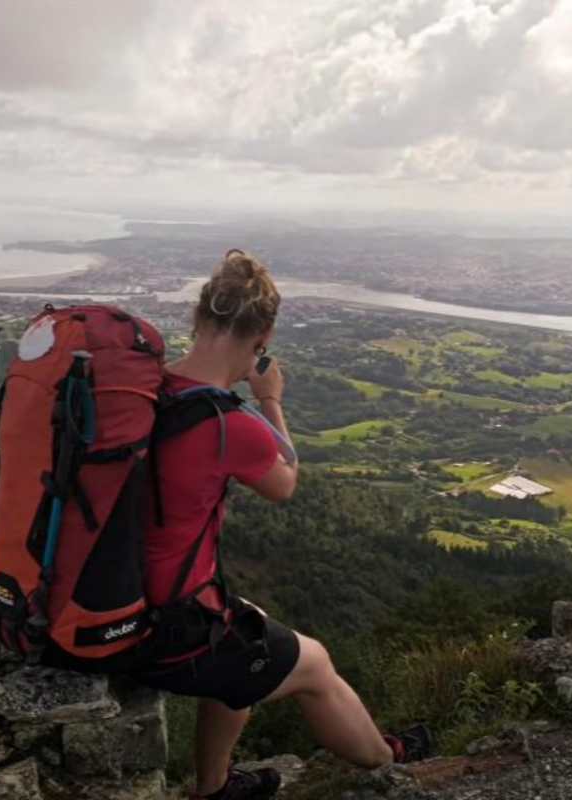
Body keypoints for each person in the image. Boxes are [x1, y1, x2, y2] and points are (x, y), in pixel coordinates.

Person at [134, 250, 431, 800]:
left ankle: (215, 785)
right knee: (314, 664)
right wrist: (270, 401)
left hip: (94, 595)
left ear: (196, 321)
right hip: (157, 621)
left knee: (249, 623)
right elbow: (284, 480)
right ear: (263, 336)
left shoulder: (135, 393)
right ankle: (388, 758)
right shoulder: (228, 421)